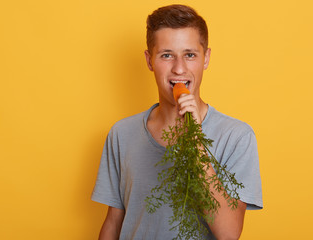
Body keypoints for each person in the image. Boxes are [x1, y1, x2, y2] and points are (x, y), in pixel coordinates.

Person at [92, 4, 262, 240]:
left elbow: (230, 233)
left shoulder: (237, 137)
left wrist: (194, 140)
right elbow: (113, 221)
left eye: (190, 55)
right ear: (149, 60)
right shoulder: (122, 134)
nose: (179, 68)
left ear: (206, 58)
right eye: (166, 55)